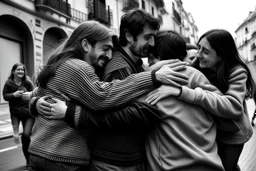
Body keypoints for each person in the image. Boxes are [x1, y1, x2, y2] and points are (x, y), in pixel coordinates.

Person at [36, 30, 245, 171]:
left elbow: (118, 113)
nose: (198, 56)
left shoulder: (152, 84)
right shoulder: (198, 76)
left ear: (155, 57)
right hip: (211, 163)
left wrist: (69, 112)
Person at [28, 20, 188, 171]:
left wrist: (35, 103)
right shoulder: (77, 67)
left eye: (111, 50)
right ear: (85, 45)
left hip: (38, 151)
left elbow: (38, 92)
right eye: (105, 48)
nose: (110, 55)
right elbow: (102, 96)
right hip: (63, 158)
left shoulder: (58, 62)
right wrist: (153, 77)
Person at [146, 29, 255, 171]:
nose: (198, 54)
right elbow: (183, 70)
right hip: (216, 128)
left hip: (233, 134)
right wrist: (155, 70)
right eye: (198, 48)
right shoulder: (199, 63)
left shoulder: (236, 71)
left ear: (221, 55)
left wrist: (183, 92)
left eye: (206, 51)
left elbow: (233, 107)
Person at [2, 63, 35, 168]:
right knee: (17, 135)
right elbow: (5, 96)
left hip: (28, 113)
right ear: (13, 71)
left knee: (26, 135)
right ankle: (29, 157)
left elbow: (35, 93)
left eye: (22, 70)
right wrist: (13, 95)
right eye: (18, 70)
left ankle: (29, 160)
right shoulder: (8, 83)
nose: (21, 71)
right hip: (15, 113)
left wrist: (29, 95)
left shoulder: (27, 82)